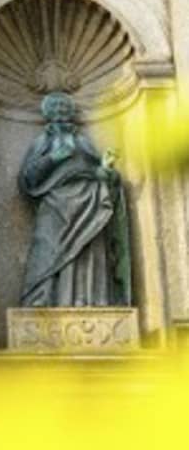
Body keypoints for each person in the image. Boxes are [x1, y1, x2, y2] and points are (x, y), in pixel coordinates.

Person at [18, 91, 132, 307]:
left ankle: (90, 298)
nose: (61, 111)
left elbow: (96, 172)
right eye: (55, 107)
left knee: (88, 249)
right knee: (48, 251)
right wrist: (54, 157)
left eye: (65, 107)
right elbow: (28, 178)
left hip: (89, 202)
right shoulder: (42, 142)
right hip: (55, 204)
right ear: (47, 114)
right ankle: (45, 298)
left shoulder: (83, 142)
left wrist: (106, 170)